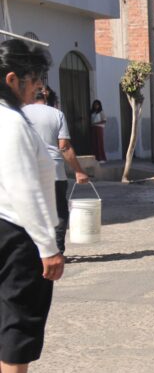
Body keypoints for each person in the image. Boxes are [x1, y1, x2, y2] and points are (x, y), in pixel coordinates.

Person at [0, 39, 65, 373]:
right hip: (17, 232)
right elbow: (26, 190)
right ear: (11, 79)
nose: (38, 87)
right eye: (33, 80)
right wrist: (49, 246)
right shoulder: (10, 124)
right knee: (19, 321)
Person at [24, 90, 90, 254]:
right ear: (47, 98)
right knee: (59, 211)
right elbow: (64, 147)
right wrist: (79, 171)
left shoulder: (19, 113)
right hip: (54, 171)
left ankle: (34, 250)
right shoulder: (56, 114)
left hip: (27, 171)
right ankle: (57, 249)